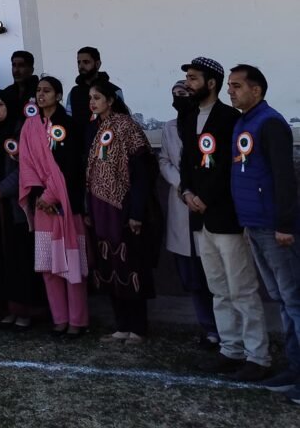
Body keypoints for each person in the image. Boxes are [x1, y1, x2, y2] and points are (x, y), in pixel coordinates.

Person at [178, 56, 271, 379]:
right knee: (217, 287)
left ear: (211, 82)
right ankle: (230, 349)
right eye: (187, 78)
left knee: (241, 288)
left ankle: (257, 355)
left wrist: (207, 196)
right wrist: (187, 192)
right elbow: (187, 162)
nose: (188, 84)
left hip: (225, 216)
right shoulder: (189, 118)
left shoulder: (231, 118)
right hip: (199, 218)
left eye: (193, 78)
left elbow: (232, 166)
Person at [227, 64, 300, 400]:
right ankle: (294, 368)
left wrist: (285, 225)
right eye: (230, 86)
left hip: (275, 228)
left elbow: (285, 178)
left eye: (237, 86)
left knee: (294, 300)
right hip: (254, 225)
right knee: (283, 302)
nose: (231, 91)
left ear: (256, 90)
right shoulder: (244, 122)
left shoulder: (270, 123)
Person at [86, 76, 158, 343]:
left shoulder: (127, 127)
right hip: (100, 207)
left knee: (130, 263)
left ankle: (137, 326)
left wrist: (137, 211)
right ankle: (121, 324)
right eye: (90, 98)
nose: (92, 102)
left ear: (111, 100)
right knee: (109, 262)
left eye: (97, 98)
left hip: (123, 206)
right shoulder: (97, 128)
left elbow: (142, 171)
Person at [19, 75, 88, 336]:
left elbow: (70, 165)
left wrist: (53, 195)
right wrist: (39, 194)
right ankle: (59, 318)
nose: (41, 95)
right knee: (48, 264)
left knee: (70, 263)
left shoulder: (67, 124)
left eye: (47, 91)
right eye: (38, 91)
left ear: (59, 95)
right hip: (42, 205)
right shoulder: (30, 126)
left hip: (65, 204)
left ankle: (77, 320)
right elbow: (26, 164)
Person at [157, 77, 218, 350]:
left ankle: (224, 328)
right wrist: (182, 185)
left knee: (214, 274)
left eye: (183, 91)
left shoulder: (208, 124)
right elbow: (165, 160)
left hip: (205, 204)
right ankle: (208, 328)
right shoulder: (169, 128)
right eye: (174, 93)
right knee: (192, 276)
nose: (179, 96)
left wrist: (196, 187)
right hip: (181, 202)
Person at [0, 91, 37, 327]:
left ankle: (23, 309)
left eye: (0, 104)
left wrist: (2, 189)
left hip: (12, 204)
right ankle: (6, 307)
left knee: (18, 256)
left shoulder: (20, 130)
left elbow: (26, 166)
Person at [67, 47, 122, 150]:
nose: (81, 66)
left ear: (97, 64)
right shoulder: (73, 93)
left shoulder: (114, 91)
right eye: (79, 62)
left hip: (107, 150)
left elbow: (120, 122)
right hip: (80, 150)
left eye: (86, 62)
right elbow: (68, 121)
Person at [2, 51, 39, 120]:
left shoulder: (40, 92)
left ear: (31, 70)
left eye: (21, 66)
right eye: (14, 65)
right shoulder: (6, 93)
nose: (16, 70)